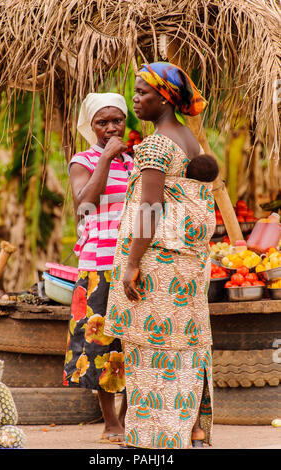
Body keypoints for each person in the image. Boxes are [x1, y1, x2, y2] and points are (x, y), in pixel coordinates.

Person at [104, 62, 216, 449]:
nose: (136, 100)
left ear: (165, 97)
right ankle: (192, 429)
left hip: (158, 267)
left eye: (143, 93)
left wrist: (132, 263)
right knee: (185, 344)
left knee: (152, 348)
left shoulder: (155, 145)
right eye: (134, 92)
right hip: (187, 266)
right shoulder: (190, 140)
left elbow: (149, 209)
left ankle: (159, 439)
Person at [63, 92, 134, 444]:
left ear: (126, 121)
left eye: (116, 121)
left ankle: (127, 418)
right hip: (99, 266)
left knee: (133, 344)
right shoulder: (84, 159)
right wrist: (106, 156)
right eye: (101, 123)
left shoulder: (136, 162)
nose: (110, 128)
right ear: (90, 127)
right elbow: (83, 203)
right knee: (100, 345)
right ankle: (110, 423)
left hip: (133, 266)